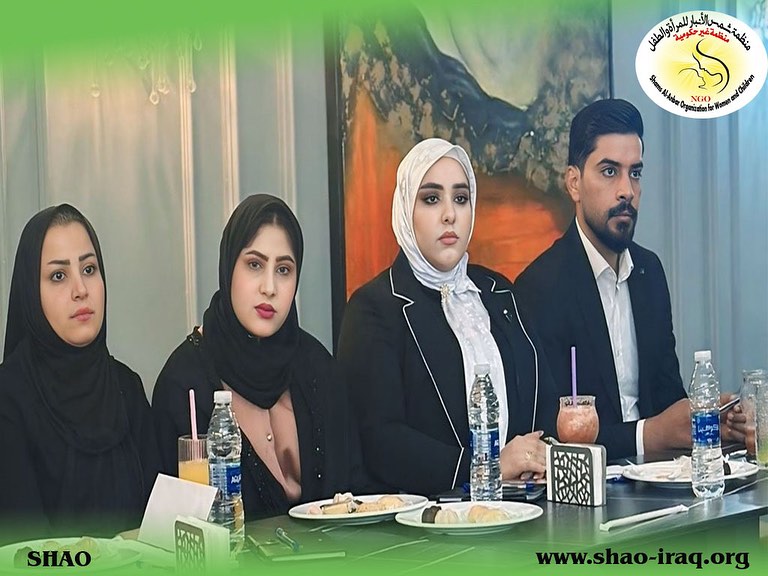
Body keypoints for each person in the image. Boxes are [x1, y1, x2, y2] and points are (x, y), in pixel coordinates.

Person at [514, 99, 737, 459]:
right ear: (574, 183)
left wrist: (710, 421)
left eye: (635, 173)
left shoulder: (650, 272)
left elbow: (667, 399)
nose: (627, 191)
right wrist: (647, 435)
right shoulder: (539, 288)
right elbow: (547, 434)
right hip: (590, 489)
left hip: (663, 480)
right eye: (609, 171)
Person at [337, 138, 557, 496]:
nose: (449, 215)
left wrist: (539, 455)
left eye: (461, 198)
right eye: (431, 199)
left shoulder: (499, 292)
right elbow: (379, 441)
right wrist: (487, 466)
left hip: (526, 507)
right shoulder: (373, 308)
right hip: (428, 520)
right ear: (405, 209)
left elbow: (544, 399)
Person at [152, 194, 360, 520]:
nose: (269, 287)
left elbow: (355, 498)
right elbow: (172, 528)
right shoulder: (184, 382)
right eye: (254, 265)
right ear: (228, 268)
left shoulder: (319, 368)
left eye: (284, 270)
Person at [0, 204, 161, 542]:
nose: (80, 290)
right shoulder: (9, 398)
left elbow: (160, 529)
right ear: (31, 292)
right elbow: (23, 550)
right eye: (58, 276)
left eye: (89, 269)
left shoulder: (127, 388)